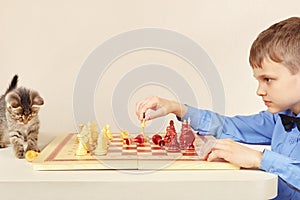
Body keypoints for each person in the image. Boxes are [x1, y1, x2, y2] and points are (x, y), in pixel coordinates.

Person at [136, 17, 300, 199]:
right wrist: (177, 108)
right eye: (258, 80)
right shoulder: (277, 118)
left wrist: (258, 159)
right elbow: (229, 127)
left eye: (268, 79)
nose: (259, 91)